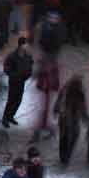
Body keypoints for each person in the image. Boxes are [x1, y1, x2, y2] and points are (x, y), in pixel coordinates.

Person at [32, 13, 66, 141]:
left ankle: (44, 126)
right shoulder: (49, 28)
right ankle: (45, 125)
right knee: (45, 106)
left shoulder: (50, 66)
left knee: (45, 106)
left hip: (47, 84)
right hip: (47, 84)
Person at [54, 75, 88, 166]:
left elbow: (58, 101)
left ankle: (64, 157)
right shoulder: (77, 92)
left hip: (66, 118)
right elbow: (83, 106)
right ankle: (66, 157)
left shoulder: (69, 90)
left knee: (65, 138)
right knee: (72, 137)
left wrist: (56, 111)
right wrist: (85, 118)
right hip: (69, 118)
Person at [2, 37, 34, 128]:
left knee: (18, 100)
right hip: (14, 81)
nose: (28, 47)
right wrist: (14, 75)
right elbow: (6, 68)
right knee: (11, 100)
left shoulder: (28, 56)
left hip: (22, 81)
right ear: (21, 45)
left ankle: (11, 116)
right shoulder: (12, 56)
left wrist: (27, 75)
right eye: (26, 44)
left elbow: (31, 64)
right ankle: (5, 118)